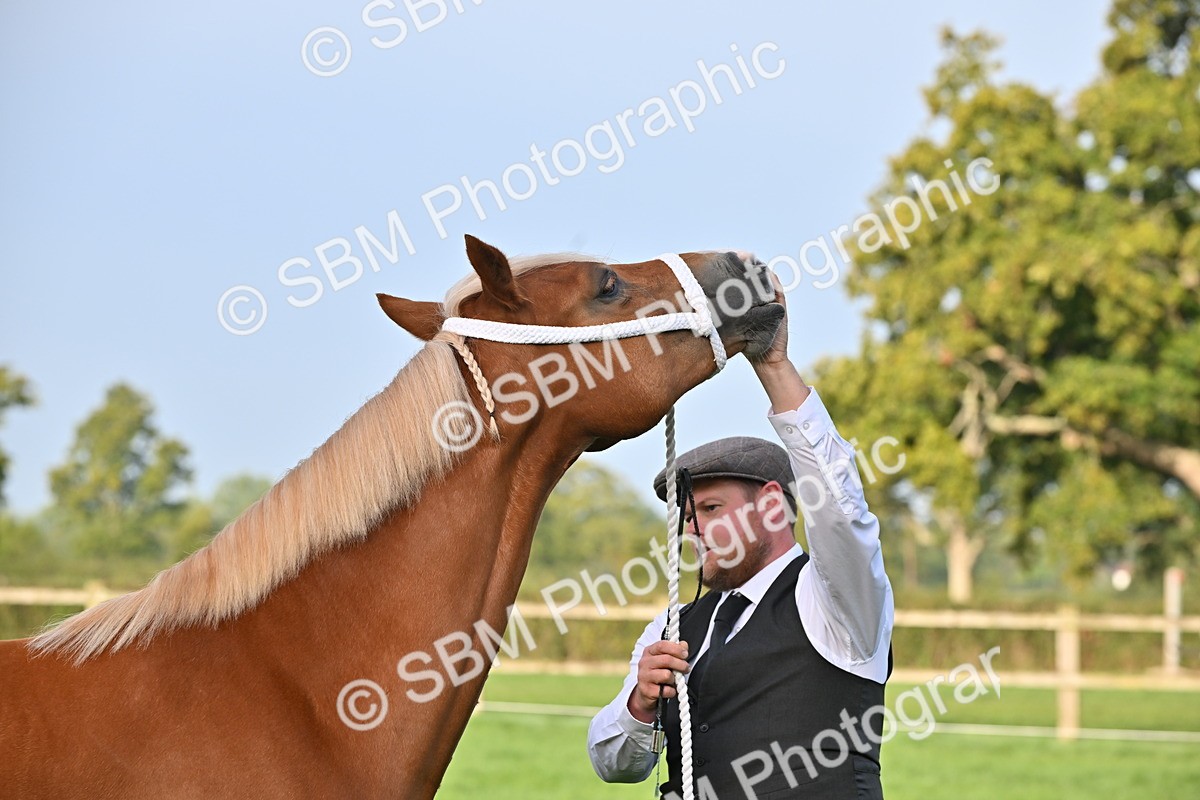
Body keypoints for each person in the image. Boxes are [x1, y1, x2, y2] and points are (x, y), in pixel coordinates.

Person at [586, 282, 894, 800]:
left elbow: (840, 513)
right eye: (687, 515)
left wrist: (773, 366)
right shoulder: (676, 625)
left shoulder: (836, 601)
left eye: (710, 509)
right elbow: (614, 765)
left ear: (774, 505)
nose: (692, 529)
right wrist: (639, 703)